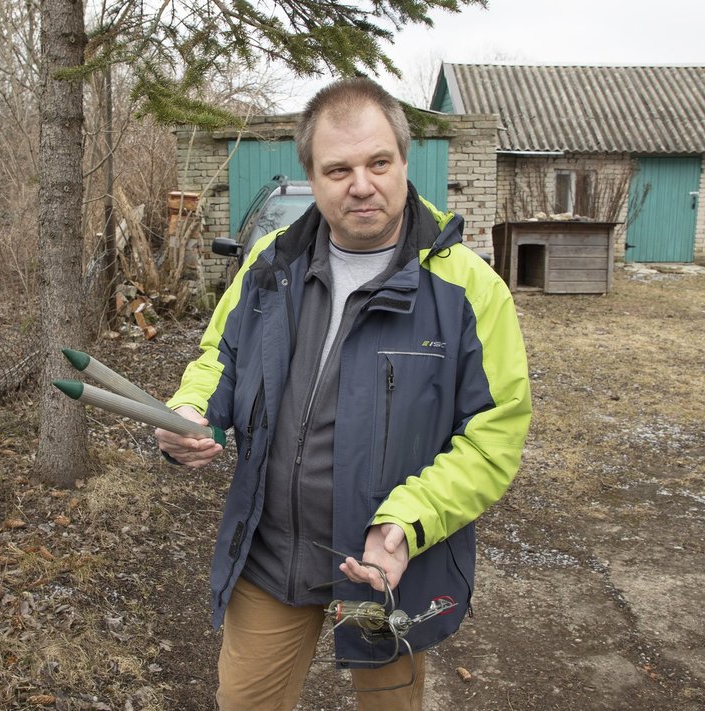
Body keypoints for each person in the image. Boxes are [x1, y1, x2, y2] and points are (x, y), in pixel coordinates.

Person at [155, 77, 532, 710]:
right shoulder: (272, 264)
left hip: (385, 568)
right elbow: (219, 356)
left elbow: (494, 435)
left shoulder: (467, 288)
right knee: (245, 701)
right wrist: (192, 411)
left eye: (378, 163)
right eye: (339, 169)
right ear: (313, 175)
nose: (361, 184)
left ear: (403, 163)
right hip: (272, 550)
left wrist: (407, 524)